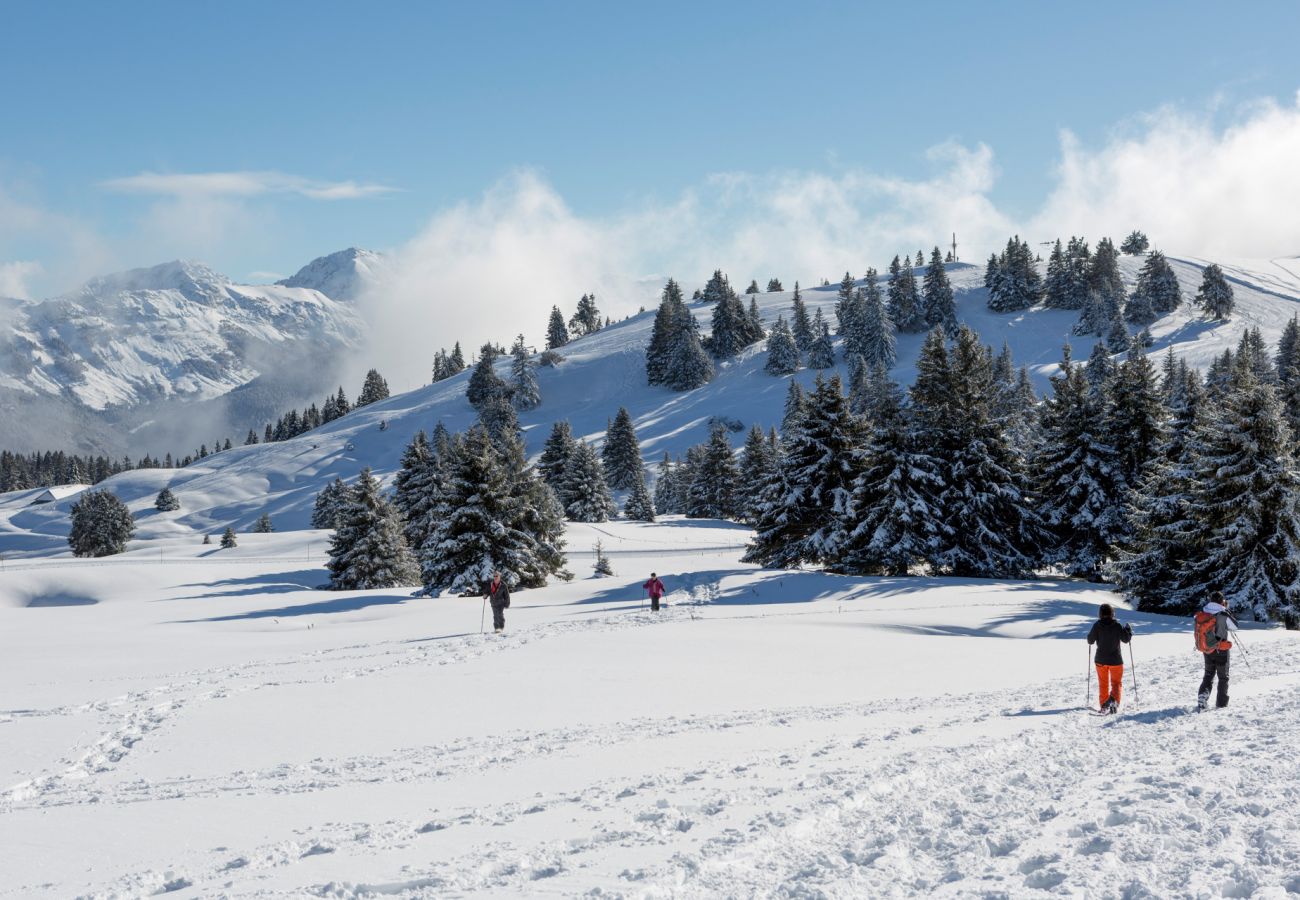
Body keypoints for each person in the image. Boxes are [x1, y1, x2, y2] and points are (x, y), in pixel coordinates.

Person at [1086, 603, 1132, 714]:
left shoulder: (1097, 625)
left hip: (1100, 660)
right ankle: (1114, 701)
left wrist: (1090, 636)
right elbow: (1126, 639)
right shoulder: (1117, 625)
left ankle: (1104, 706)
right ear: (1112, 613)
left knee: (1103, 683)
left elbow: (1090, 641)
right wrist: (1128, 630)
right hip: (1115, 660)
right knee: (1116, 683)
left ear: (1100, 614)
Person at [1196, 590, 1235, 711]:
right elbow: (1235, 626)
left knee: (1208, 675)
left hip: (1207, 649)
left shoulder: (1204, 611)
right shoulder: (1223, 613)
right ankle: (1221, 704)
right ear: (1222, 601)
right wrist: (1226, 609)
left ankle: (1203, 696)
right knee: (1223, 677)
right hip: (1221, 649)